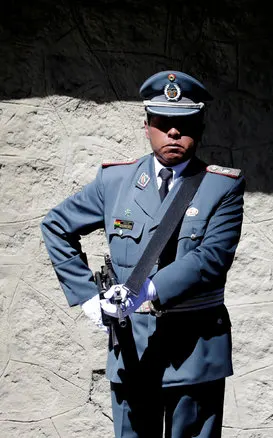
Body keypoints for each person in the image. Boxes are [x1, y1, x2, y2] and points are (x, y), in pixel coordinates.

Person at [40, 70, 245, 437]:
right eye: (164, 122)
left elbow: (212, 258)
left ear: (199, 125)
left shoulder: (221, 187)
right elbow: (56, 225)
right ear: (147, 124)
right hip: (133, 349)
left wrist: (146, 290)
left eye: (184, 123)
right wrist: (87, 297)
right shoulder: (115, 182)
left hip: (195, 351)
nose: (174, 133)